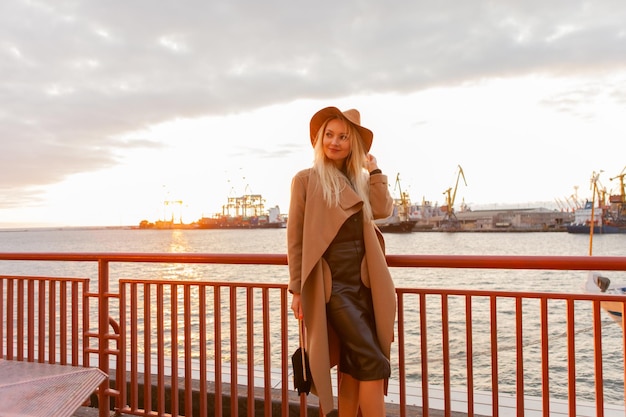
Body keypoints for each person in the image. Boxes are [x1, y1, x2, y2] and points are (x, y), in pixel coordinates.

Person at [287, 106, 397, 416]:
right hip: (334, 288)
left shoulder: (358, 179)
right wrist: (297, 288)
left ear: (353, 144)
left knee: (354, 365)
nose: (334, 142)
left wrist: (374, 171)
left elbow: (382, 209)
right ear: (320, 139)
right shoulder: (306, 180)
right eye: (329, 135)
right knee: (374, 364)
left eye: (343, 137)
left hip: (365, 286)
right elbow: (295, 238)